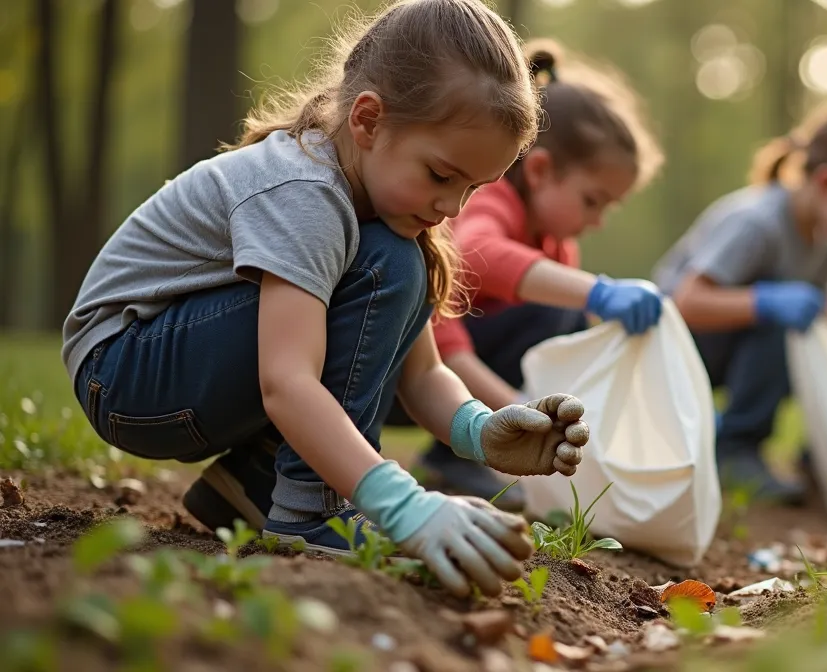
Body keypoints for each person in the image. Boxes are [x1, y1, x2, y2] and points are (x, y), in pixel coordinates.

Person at [61, 0, 588, 598]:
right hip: (128, 371)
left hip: (173, 366)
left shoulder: (387, 215)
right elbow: (287, 381)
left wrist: (480, 432)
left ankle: (260, 479)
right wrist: (403, 505)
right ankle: (312, 509)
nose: (453, 208)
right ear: (367, 120)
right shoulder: (306, 193)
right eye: (442, 175)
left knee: (397, 259)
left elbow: (422, 375)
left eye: (472, 188)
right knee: (390, 263)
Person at [395, 39, 665, 508]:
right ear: (540, 170)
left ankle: (477, 456)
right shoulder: (488, 200)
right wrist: (597, 293)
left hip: (462, 383)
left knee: (567, 321)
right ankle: (457, 460)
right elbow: (476, 253)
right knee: (555, 309)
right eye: (592, 200)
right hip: (409, 376)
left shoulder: (558, 248)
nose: (597, 220)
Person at [653, 97, 827, 504]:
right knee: (782, 320)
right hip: (671, 352)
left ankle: (767, 447)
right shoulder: (758, 222)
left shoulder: (826, 243)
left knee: (803, 327)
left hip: (725, 348)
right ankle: (735, 448)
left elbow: (818, 308)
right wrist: (766, 302)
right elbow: (687, 302)